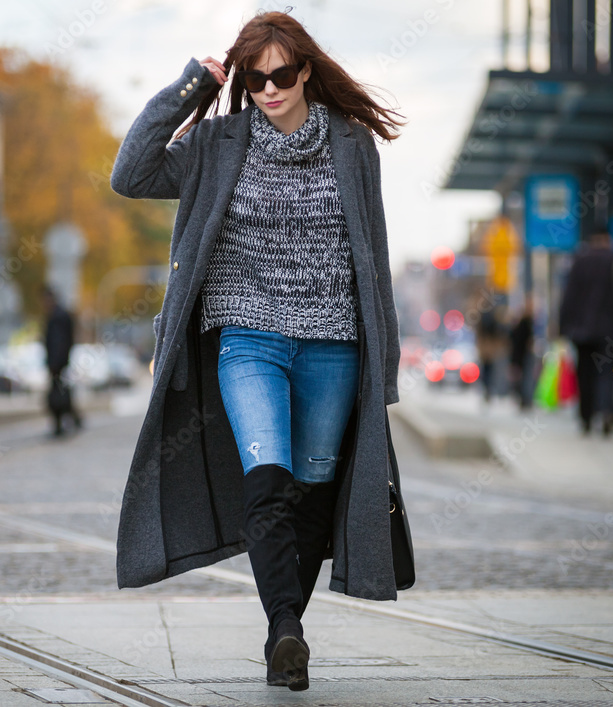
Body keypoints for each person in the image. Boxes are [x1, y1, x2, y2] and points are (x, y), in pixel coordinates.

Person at [110, 11, 404, 691]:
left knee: (309, 493)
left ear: (306, 72)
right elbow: (132, 173)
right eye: (255, 77)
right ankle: (285, 630)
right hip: (247, 337)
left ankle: (283, 631)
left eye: (281, 74)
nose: (269, 88)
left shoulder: (354, 146)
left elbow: (375, 257)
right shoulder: (217, 143)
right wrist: (195, 87)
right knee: (266, 478)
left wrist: (383, 364)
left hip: (334, 342)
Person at [558, 231, 613, 435]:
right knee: (606, 371)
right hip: (608, 328)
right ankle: (606, 410)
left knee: (584, 373)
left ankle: (586, 417)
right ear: (608, 240)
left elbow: (568, 296)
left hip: (581, 331)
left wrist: (563, 327)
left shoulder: (579, 261)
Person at [41, 286, 82, 437]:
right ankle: (73, 419)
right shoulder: (56, 315)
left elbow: (60, 342)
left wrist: (56, 363)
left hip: (57, 364)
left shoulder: (58, 317)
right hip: (58, 363)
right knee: (61, 393)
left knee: (58, 395)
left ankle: (60, 425)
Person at [508, 297, 535, 410]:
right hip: (523, 355)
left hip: (519, 355)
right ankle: (525, 399)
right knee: (525, 378)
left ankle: (524, 399)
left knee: (522, 378)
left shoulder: (521, 324)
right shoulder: (526, 324)